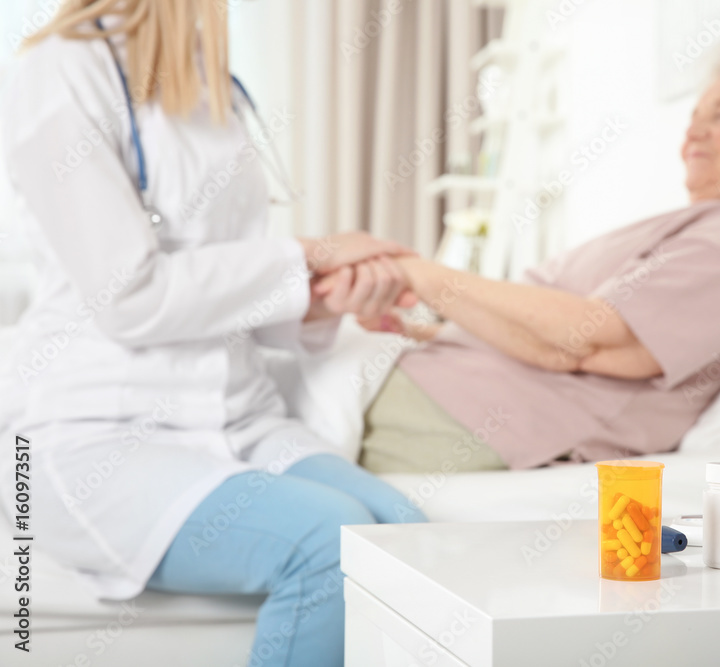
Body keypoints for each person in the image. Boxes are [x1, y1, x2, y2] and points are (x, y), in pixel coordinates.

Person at [0, 1, 423, 665]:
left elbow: (225, 277)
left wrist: (315, 299)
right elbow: (127, 296)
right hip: (95, 429)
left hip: (237, 416)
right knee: (328, 538)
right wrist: (307, 255)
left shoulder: (209, 77)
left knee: (408, 541)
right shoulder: (62, 67)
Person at [342, 36, 720, 474]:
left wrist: (423, 275)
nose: (693, 132)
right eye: (694, 116)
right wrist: (423, 329)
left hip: (474, 413)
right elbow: (551, 332)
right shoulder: (710, 228)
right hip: (448, 384)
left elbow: (580, 342)